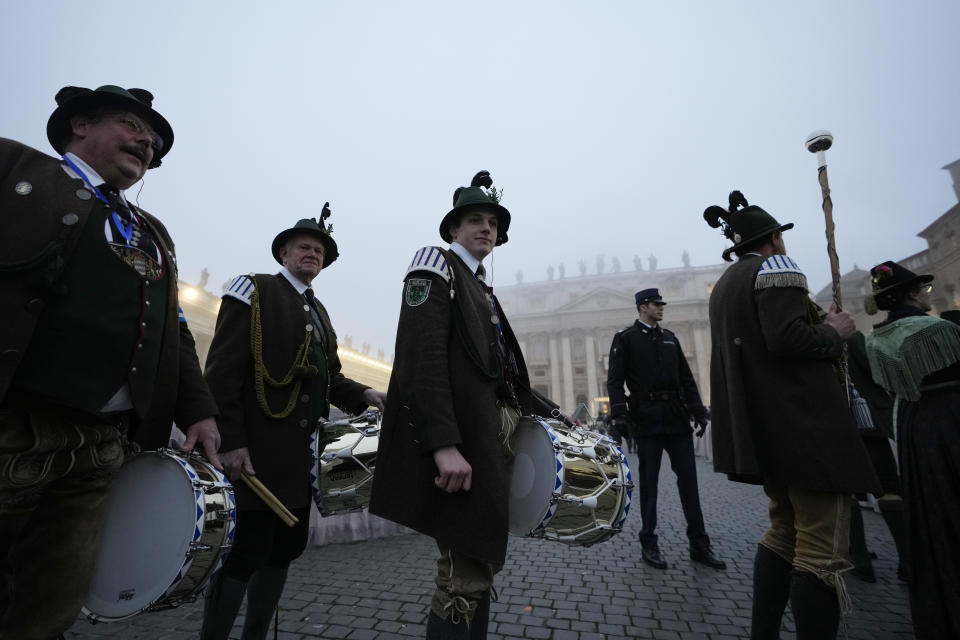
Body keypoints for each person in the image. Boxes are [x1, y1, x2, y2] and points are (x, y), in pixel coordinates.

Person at [0, 85, 220, 640]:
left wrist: (198, 410)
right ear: (79, 124)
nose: (148, 142)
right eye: (133, 125)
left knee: (52, 601)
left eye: (155, 142)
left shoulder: (152, 234)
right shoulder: (14, 170)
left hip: (102, 449)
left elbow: (173, 335)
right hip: (14, 429)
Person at [370, 171, 559, 639]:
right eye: (474, 220)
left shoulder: (478, 286)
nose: (486, 229)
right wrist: (443, 445)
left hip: (482, 444)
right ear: (453, 229)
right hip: (462, 447)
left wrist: (553, 412)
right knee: (463, 575)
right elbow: (421, 362)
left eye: (492, 223)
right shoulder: (435, 268)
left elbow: (499, 375)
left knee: (478, 566)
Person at [703, 191, 880, 640]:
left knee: (783, 531)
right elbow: (786, 340)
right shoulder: (777, 270)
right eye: (780, 236)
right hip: (808, 431)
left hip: (768, 434)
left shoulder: (725, 284)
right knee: (821, 547)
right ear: (775, 239)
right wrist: (832, 331)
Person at [200, 213, 386, 639]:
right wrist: (231, 442)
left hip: (298, 463)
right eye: (303, 246)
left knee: (283, 551)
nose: (312, 254)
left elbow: (329, 376)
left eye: (319, 251)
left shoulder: (319, 312)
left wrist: (363, 394)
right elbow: (222, 373)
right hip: (255, 458)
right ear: (283, 252)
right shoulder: (255, 289)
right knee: (244, 554)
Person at [864, 260, 960, 640]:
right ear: (910, 293)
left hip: (913, 426)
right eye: (923, 290)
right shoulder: (936, 329)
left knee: (929, 507)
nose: (926, 295)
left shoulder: (876, 339)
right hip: (949, 421)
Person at [606, 288, 725, 571]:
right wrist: (620, 416)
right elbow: (614, 381)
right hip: (646, 421)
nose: (662, 308)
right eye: (657, 304)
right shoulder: (626, 339)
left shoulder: (670, 338)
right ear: (642, 307)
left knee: (689, 484)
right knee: (650, 486)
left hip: (676, 419)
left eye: (661, 304)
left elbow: (686, 378)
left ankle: (699, 543)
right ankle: (649, 542)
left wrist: (698, 411)